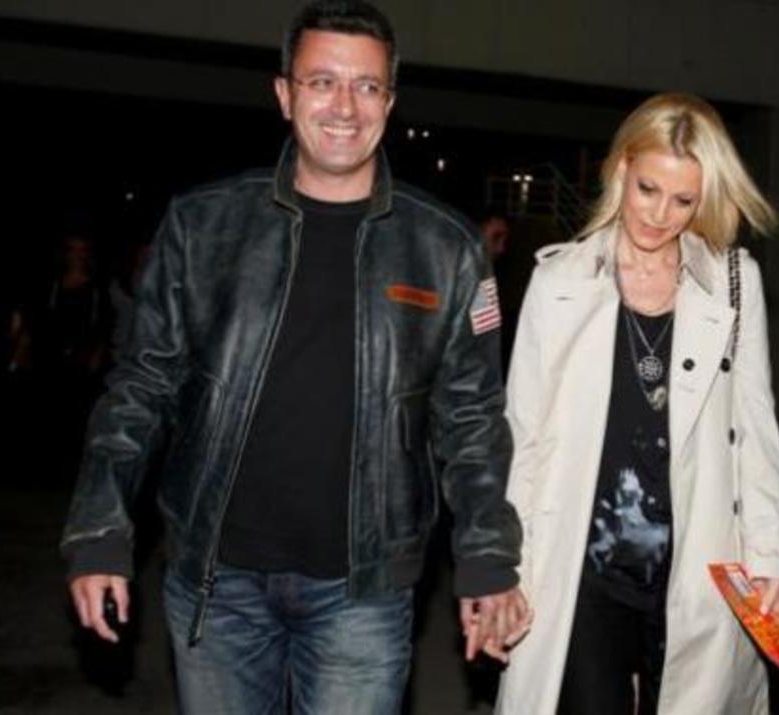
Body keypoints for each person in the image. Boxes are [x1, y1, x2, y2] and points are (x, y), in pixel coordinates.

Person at [60, 2, 528, 712]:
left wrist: (487, 557)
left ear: (389, 102)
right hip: (215, 581)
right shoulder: (203, 224)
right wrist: (99, 532)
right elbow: (140, 389)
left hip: (364, 591)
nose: (344, 106)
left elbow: (471, 418)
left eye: (366, 86)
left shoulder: (446, 247)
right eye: (322, 82)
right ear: (284, 94)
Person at [495, 93, 779, 714]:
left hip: (696, 568)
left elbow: (755, 434)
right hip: (584, 569)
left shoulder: (734, 284)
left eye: (684, 200)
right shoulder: (559, 282)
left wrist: (770, 560)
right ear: (621, 169)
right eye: (648, 189)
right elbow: (524, 438)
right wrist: (506, 571)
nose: (660, 215)